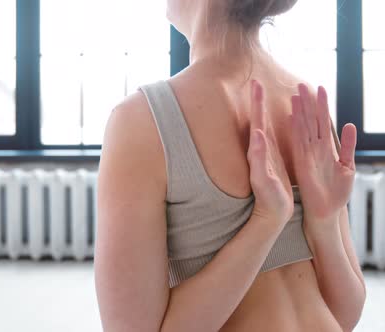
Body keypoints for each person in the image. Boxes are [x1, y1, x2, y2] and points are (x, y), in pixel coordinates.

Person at [94, 0, 366, 331]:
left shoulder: (139, 121)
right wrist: (303, 224)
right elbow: (345, 314)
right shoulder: (303, 99)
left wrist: (282, 221)